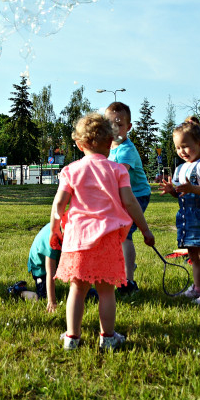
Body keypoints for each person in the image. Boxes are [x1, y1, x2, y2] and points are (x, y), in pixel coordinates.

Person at [52, 111, 154, 351]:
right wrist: (145, 230)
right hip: (108, 239)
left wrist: (54, 229)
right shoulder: (118, 170)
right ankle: (107, 338)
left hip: (77, 239)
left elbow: (59, 204)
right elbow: (131, 203)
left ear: (79, 144)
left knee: (77, 289)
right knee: (107, 290)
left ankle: (71, 338)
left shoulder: (71, 170)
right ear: (110, 143)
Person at [162, 121, 200, 306]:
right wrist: (172, 191)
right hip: (186, 219)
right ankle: (198, 288)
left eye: (186, 146)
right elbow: (182, 193)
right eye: (178, 147)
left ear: (199, 144)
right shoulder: (180, 168)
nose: (182, 151)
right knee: (193, 256)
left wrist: (193, 188)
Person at [104, 101, 151, 296]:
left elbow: (119, 174)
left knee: (125, 234)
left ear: (129, 127)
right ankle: (124, 265)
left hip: (137, 196)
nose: (114, 128)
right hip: (122, 196)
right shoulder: (107, 148)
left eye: (119, 124)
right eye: (110, 124)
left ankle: (128, 281)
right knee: (116, 235)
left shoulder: (126, 150)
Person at [26, 219, 64, 313]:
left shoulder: (65, 228)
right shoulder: (52, 241)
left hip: (57, 256)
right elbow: (50, 273)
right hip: (39, 267)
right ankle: (18, 290)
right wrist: (51, 301)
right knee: (40, 297)